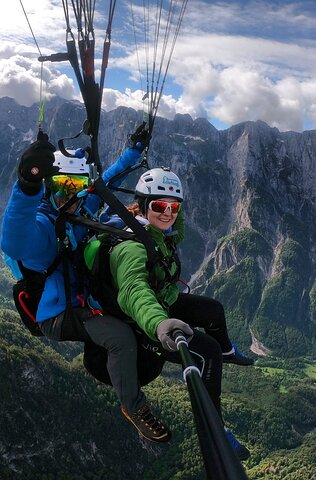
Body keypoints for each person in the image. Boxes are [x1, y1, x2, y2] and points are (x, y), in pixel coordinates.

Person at [0, 130, 172, 443]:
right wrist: (26, 186)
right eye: (61, 186)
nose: (69, 194)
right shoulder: (43, 227)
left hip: (82, 298)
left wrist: (133, 152)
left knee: (136, 306)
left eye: (76, 186)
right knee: (120, 336)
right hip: (58, 312)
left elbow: (105, 180)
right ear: (48, 187)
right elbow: (13, 240)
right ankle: (133, 407)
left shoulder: (80, 208)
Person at [103, 167, 253, 460]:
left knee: (213, 311)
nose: (168, 213)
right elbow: (134, 291)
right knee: (204, 351)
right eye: (160, 206)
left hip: (163, 300)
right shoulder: (132, 246)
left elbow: (177, 225)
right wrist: (160, 324)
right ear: (144, 205)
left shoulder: (159, 229)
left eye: (174, 208)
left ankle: (227, 351)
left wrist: (171, 187)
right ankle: (215, 429)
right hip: (143, 321)